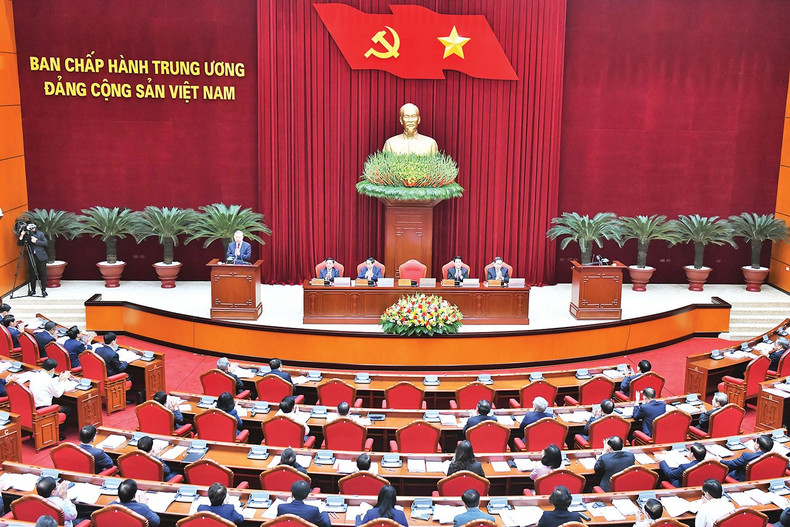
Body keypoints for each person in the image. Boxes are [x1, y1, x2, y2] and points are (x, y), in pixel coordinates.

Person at [26, 358, 73, 425]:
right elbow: (58, 394)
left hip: (34, 407)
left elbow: (47, 383)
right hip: (44, 409)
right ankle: (57, 432)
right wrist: (63, 380)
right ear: (53, 369)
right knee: (68, 409)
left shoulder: (35, 376)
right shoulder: (48, 380)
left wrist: (59, 379)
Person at [17, 222, 48, 297]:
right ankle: (33, 290)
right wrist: (21, 236)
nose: (32, 229)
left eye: (33, 227)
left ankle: (43, 290)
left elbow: (45, 243)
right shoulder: (26, 235)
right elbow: (19, 244)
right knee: (32, 274)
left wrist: (36, 241)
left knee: (43, 274)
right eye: (30, 227)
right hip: (31, 256)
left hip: (41, 257)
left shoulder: (40, 234)